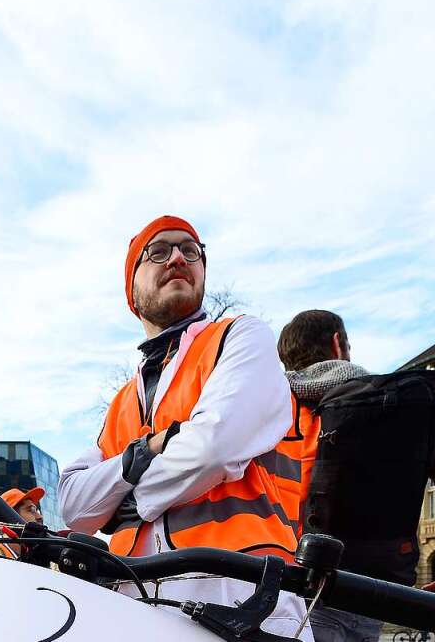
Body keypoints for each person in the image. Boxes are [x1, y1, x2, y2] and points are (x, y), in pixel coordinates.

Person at [58, 215, 310, 639]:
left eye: (190, 251)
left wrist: (125, 500)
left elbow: (213, 448)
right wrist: (142, 453)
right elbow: (74, 507)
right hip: (137, 605)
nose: (177, 258)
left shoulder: (240, 336)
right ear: (132, 292)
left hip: (241, 596)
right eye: (158, 252)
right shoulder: (123, 401)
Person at [276, 310, 435, 642]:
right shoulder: (395, 403)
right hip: (363, 592)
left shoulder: (264, 403)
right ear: (338, 344)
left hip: (275, 582)